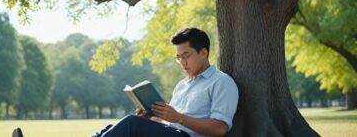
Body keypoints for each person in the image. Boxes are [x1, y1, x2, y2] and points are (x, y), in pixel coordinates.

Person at [12, 27, 239, 137]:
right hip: (169, 134)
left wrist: (178, 117)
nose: (182, 62)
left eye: (186, 55)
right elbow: (170, 122)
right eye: (178, 57)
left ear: (204, 52)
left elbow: (219, 129)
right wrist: (153, 116)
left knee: (130, 124)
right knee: (111, 128)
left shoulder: (221, 82)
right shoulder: (183, 85)